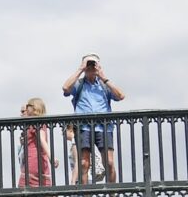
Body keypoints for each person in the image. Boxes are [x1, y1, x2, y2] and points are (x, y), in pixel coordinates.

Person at [61, 53, 126, 184]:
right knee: (84, 163)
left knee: (109, 162)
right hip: (83, 127)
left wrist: (104, 77)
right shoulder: (79, 84)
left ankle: (112, 196)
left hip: (104, 127)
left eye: (93, 64)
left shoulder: (103, 85)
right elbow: (65, 88)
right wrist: (80, 69)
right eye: (88, 64)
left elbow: (121, 95)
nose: (90, 67)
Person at [18, 98, 57, 189]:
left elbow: (42, 139)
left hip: (32, 161)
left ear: (35, 108)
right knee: (49, 195)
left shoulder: (36, 123)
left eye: (28, 106)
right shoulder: (35, 124)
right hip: (41, 162)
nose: (26, 108)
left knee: (23, 195)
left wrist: (52, 157)